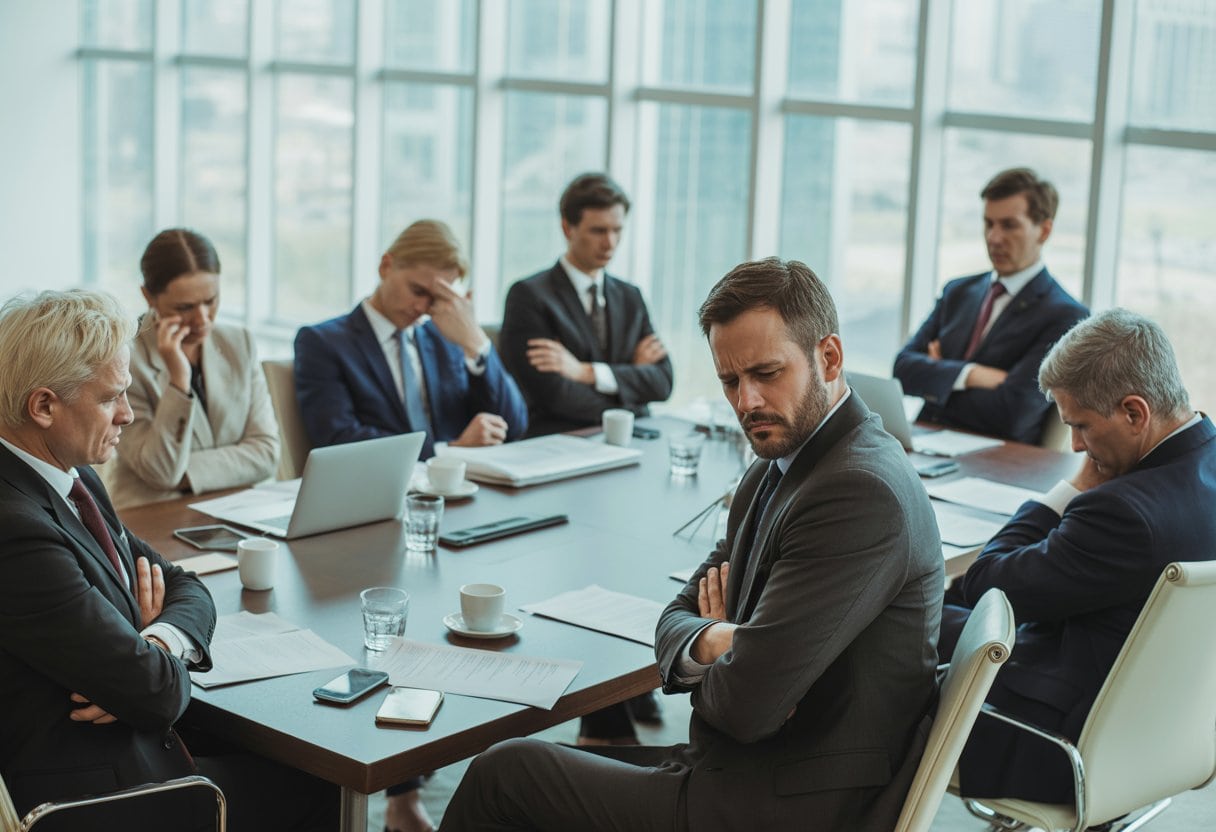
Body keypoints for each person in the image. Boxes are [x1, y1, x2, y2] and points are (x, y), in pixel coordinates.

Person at [439, 258, 944, 832]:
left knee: (506, 774)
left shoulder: (858, 491)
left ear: (828, 357)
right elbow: (677, 615)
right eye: (730, 381)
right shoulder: (778, 463)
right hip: (746, 770)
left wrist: (734, 663)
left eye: (766, 372)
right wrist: (719, 641)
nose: (746, 401)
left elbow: (746, 709)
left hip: (786, 804)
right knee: (523, 767)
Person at [0, 289, 336, 831]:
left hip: (133, 741)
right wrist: (138, 667)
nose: (129, 415)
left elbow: (185, 586)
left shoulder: (73, 474)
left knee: (297, 754)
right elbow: (154, 693)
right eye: (112, 398)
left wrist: (155, 641)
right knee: (321, 783)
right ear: (43, 406)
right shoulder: (13, 528)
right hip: (95, 794)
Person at [940, 308, 1216, 802]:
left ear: (1135, 412)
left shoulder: (1123, 513)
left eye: (1082, 426)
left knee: (901, 618)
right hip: (1167, 731)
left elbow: (985, 582)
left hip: (1058, 743)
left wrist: (1071, 488)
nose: (1074, 444)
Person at [295, 219, 527, 459]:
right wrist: (448, 451)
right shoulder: (322, 343)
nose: (423, 307)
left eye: (435, 298)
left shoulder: (445, 338)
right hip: (381, 489)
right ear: (386, 266)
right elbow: (338, 439)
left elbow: (514, 426)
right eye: (418, 291)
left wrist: (476, 342)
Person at [894, 167, 1088, 444]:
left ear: (1044, 230)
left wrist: (939, 375)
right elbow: (902, 369)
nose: (993, 238)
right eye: (988, 224)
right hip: (927, 444)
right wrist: (972, 375)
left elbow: (1015, 411)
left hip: (1000, 461)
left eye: (1009, 225)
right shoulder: (958, 291)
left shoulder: (1065, 315)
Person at [109, 228, 279, 509]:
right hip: (153, 515)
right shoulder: (125, 357)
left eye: (210, 301)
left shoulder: (239, 343)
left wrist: (183, 472)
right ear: (148, 296)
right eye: (184, 307)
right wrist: (178, 380)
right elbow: (161, 470)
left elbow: (267, 453)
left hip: (237, 507)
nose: (202, 320)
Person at [499, 172, 673, 437]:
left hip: (629, 440)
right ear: (568, 228)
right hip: (560, 441)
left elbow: (663, 382)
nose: (610, 243)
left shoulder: (630, 297)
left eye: (617, 230)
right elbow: (554, 396)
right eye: (598, 231)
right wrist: (632, 393)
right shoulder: (529, 296)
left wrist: (586, 373)